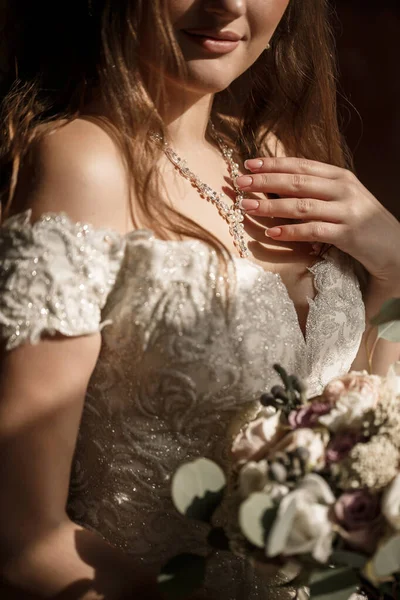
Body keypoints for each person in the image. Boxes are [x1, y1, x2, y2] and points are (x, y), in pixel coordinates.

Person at [0, 0, 399, 599]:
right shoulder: (83, 164)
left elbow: (368, 422)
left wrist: (393, 270)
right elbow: (22, 536)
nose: (229, 4)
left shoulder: (269, 154)